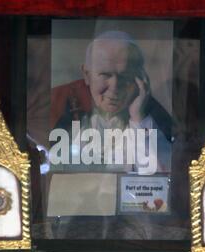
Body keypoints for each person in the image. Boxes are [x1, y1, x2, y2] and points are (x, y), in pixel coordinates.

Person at [50, 30, 175, 173]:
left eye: (125, 76)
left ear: (139, 78)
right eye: (105, 75)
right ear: (86, 74)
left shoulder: (152, 120)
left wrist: (139, 118)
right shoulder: (62, 109)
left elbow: (161, 178)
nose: (115, 87)